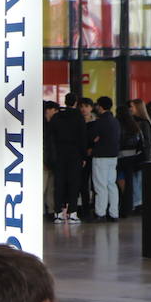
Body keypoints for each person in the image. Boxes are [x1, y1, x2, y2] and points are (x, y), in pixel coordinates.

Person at [50, 94, 88, 222]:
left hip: (59, 153)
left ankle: (58, 212)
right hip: (75, 153)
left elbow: (51, 137)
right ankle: (72, 212)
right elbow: (83, 138)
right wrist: (84, 156)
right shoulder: (79, 118)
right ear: (76, 103)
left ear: (65, 102)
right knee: (74, 183)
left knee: (59, 183)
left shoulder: (56, 117)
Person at [88, 96, 120, 221]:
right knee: (111, 184)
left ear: (100, 106)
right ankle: (114, 213)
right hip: (113, 156)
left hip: (101, 156)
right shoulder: (115, 121)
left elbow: (92, 137)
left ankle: (100, 213)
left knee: (100, 185)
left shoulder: (100, 122)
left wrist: (96, 141)